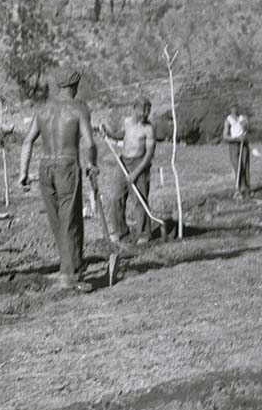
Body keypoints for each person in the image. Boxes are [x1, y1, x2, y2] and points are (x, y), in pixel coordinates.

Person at [17, 68, 98, 293]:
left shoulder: (43, 110)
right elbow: (90, 143)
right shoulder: (79, 109)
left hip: (45, 167)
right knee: (70, 220)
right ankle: (69, 276)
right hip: (67, 166)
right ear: (75, 85)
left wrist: (23, 173)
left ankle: (69, 267)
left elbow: (27, 141)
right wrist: (92, 163)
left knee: (58, 222)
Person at [99, 97, 157, 245]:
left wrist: (136, 173)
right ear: (134, 108)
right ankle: (119, 231)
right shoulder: (127, 122)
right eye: (142, 111)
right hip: (123, 162)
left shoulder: (149, 129)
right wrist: (108, 133)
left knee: (139, 200)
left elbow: (149, 154)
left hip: (140, 163)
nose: (144, 115)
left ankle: (144, 234)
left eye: (147, 112)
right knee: (115, 197)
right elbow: (121, 135)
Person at [223, 101, 251, 199]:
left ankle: (247, 189)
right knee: (237, 167)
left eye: (236, 107)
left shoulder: (243, 118)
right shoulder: (228, 120)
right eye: (232, 107)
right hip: (234, 145)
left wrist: (245, 126)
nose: (234, 109)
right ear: (230, 109)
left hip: (244, 144)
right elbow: (225, 136)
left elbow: (247, 129)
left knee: (245, 166)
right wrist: (236, 139)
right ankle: (238, 189)